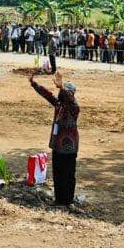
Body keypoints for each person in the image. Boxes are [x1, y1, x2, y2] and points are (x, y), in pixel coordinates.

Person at [29, 70, 80, 206]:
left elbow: (69, 99)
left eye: (65, 92)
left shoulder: (74, 106)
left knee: (68, 174)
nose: (61, 94)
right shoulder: (59, 105)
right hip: (57, 145)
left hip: (69, 148)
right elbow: (47, 95)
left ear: (71, 93)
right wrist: (34, 84)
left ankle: (68, 201)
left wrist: (61, 87)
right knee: (57, 174)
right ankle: (59, 200)